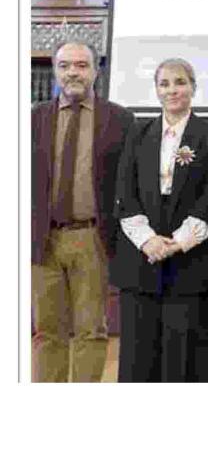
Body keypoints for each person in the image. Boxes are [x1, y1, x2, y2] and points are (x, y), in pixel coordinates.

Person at [112, 59, 208, 381]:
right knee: (139, 356)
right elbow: (125, 191)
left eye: (180, 82)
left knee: (187, 358)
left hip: (191, 261)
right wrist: (148, 240)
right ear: (156, 89)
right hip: (141, 258)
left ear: (193, 87)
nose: (172, 90)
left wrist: (178, 242)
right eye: (164, 83)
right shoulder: (137, 132)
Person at [30, 39, 134, 381]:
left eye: (81, 65)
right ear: (55, 71)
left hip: (92, 238)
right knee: (47, 331)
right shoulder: (32, 119)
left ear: (96, 70)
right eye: (64, 66)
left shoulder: (120, 119)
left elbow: (131, 182)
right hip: (42, 239)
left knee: (91, 330)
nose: (72, 72)